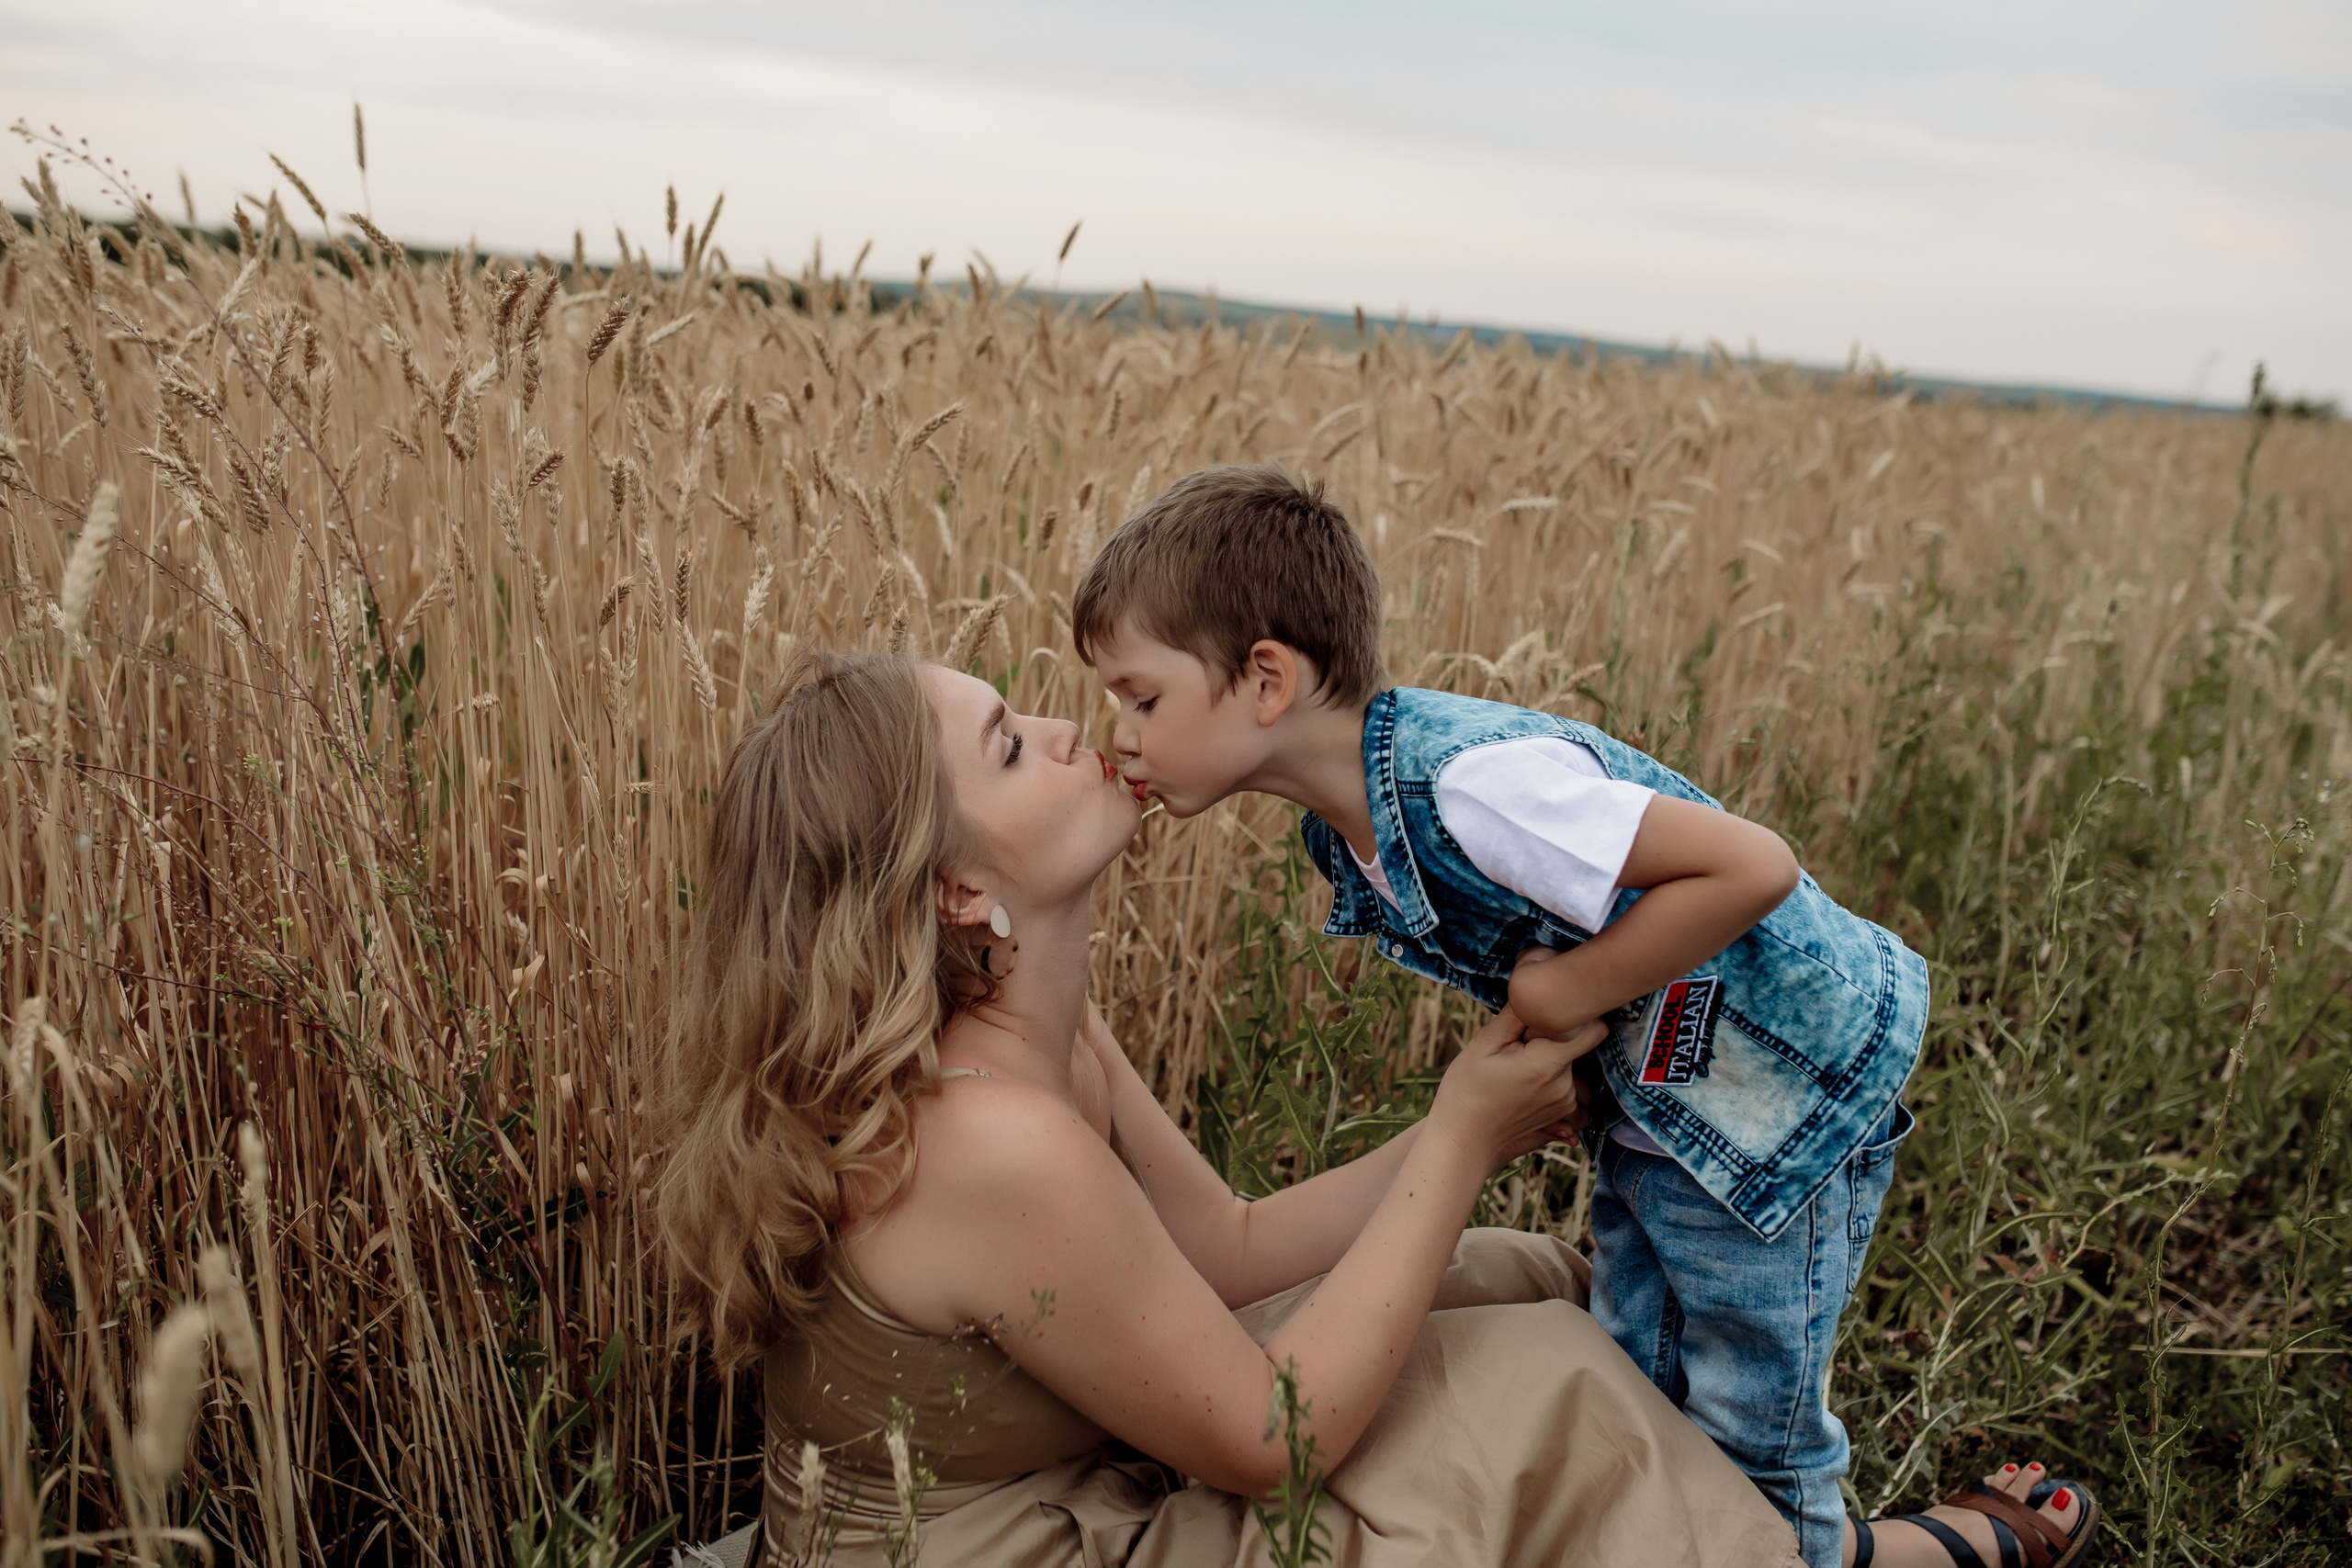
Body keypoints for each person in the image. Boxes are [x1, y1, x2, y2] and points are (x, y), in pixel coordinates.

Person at [1072, 466, 2100, 1568]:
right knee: (1644, 1395)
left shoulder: (1465, 789)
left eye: (1141, 698)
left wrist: (1565, 991)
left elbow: (1750, 866)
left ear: (1266, 680)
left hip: (1771, 1099)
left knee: (1750, 1434)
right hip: (1666, 1117)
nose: (1121, 735)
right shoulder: (1354, 826)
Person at [654, 649, 1809, 1567]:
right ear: (959, 888)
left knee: (1517, 1274)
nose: (1064, 731)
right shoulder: (982, 1139)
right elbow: (1273, 1446)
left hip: (1069, 1478)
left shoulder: (1033, 1035)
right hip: (1003, 1547)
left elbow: (1226, 1249)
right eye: (1009, 748)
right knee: (1548, 1386)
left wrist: (1485, 1120)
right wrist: (1459, 1135)